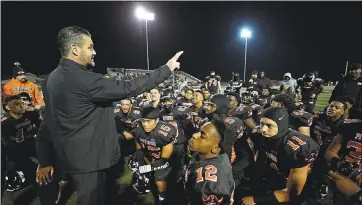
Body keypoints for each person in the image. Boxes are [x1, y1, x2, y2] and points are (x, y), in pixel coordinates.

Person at [35, 26, 183, 205]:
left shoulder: (51, 78)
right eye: (90, 47)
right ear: (74, 49)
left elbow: (48, 122)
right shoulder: (84, 80)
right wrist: (166, 69)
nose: (94, 52)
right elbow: (129, 87)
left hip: (71, 160)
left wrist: (45, 159)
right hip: (92, 164)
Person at [241, 107, 320, 205]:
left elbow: (292, 193)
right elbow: (261, 159)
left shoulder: (296, 148)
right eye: (262, 124)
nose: (263, 129)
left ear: (281, 125)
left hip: (293, 189)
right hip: (275, 178)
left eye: (269, 125)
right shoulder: (260, 135)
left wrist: (256, 199)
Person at [131, 107, 176, 204]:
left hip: (167, 160)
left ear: (156, 121)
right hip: (151, 156)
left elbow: (164, 161)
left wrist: (144, 169)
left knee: (159, 180)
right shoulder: (138, 129)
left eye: (148, 121)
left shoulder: (163, 133)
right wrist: (141, 165)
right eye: (143, 121)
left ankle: (163, 198)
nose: (145, 124)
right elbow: (139, 149)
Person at [185, 121, 235, 205]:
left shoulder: (214, 182)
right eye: (199, 131)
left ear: (215, 148)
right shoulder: (206, 154)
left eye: (202, 135)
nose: (194, 135)